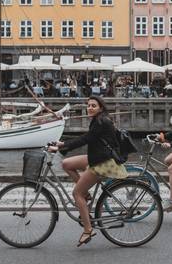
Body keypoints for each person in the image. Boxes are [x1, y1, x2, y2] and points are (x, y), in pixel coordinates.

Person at [49, 96, 127, 247]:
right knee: (66, 164)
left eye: (93, 105)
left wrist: (60, 146)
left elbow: (85, 139)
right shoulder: (99, 119)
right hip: (97, 157)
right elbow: (86, 138)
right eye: (88, 105)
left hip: (103, 162)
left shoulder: (101, 121)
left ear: (100, 108)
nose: (90, 108)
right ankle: (87, 195)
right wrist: (63, 143)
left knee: (76, 194)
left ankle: (88, 229)